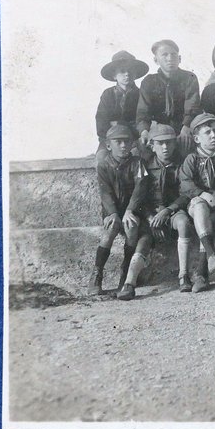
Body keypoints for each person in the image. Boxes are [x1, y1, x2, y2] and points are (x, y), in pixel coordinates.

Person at [89, 124, 152, 300]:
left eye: (127, 141)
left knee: (131, 226)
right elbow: (105, 192)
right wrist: (112, 213)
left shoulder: (138, 163)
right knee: (111, 228)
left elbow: (140, 189)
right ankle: (97, 273)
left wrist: (130, 210)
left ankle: (126, 272)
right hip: (114, 210)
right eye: (118, 142)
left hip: (133, 209)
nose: (124, 145)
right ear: (109, 145)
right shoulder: (104, 165)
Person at [179, 113, 215, 292]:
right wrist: (203, 195)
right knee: (199, 205)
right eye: (208, 132)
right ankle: (209, 259)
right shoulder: (192, 159)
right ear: (196, 139)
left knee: (207, 215)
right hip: (197, 208)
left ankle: (203, 272)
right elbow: (185, 183)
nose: (213, 135)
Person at [144, 123, 196, 291]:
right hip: (151, 213)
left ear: (175, 144)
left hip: (173, 210)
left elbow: (185, 193)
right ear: (152, 146)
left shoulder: (181, 165)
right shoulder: (145, 166)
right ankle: (131, 277)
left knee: (183, 223)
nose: (165, 147)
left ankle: (183, 275)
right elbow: (139, 196)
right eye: (160, 143)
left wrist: (168, 210)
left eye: (169, 142)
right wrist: (150, 217)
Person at [136, 39, 201, 156]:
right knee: (145, 149)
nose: (170, 58)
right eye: (164, 55)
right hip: (158, 129)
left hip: (182, 128)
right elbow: (143, 112)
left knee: (186, 149)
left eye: (173, 54)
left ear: (179, 58)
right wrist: (144, 131)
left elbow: (192, 107)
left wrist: (186, 128)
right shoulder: (149, 81)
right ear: (156, 60)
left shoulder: (189, 78)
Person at [95, 50, 149, 162]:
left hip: (133, 140)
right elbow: (101, 122)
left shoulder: (141, 95)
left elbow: (142, 120)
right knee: (101, 159)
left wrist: (118, 124)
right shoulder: (108, 94)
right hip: (111, 139)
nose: (127, 74)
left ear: (135, 74)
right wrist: (112, 139)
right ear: (114, 75)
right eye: (122, 71)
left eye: (130, 70)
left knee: (140, 157)